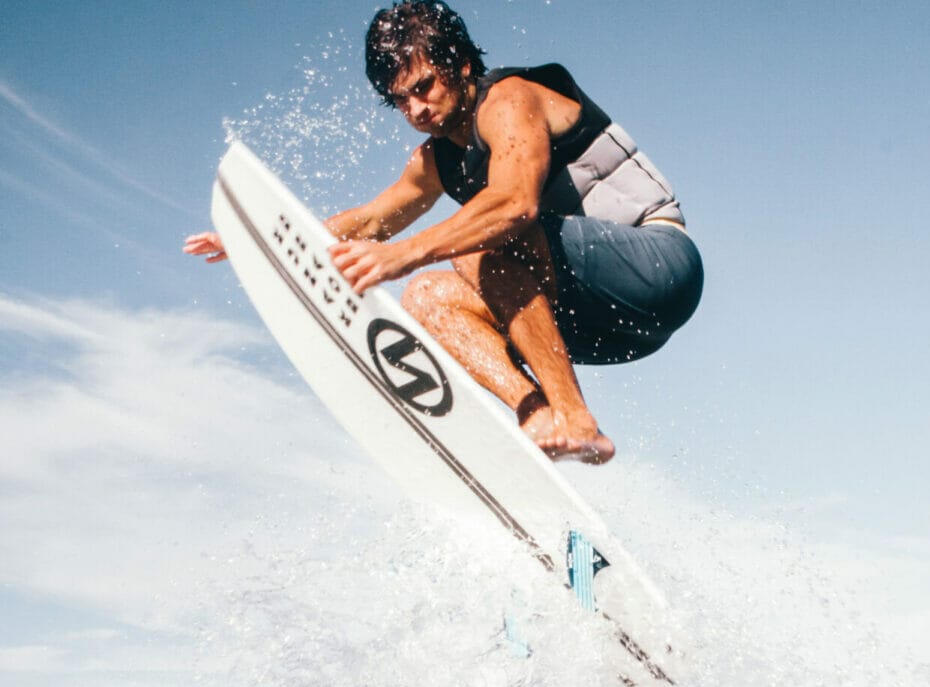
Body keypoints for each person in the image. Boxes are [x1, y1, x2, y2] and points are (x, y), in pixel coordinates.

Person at [185, 0, 703, 464]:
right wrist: (256, 234)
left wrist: (405, 253)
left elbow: (514, 205)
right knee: (428, 298)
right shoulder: (435, 160)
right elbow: (368, 221)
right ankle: (539, 414)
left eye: (423, 87)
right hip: (604, 328)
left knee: (480, 241)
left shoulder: (510, 99)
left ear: (460, 65)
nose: (415, 109)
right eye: (400, 101)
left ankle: (577, 418)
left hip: (658, 271)